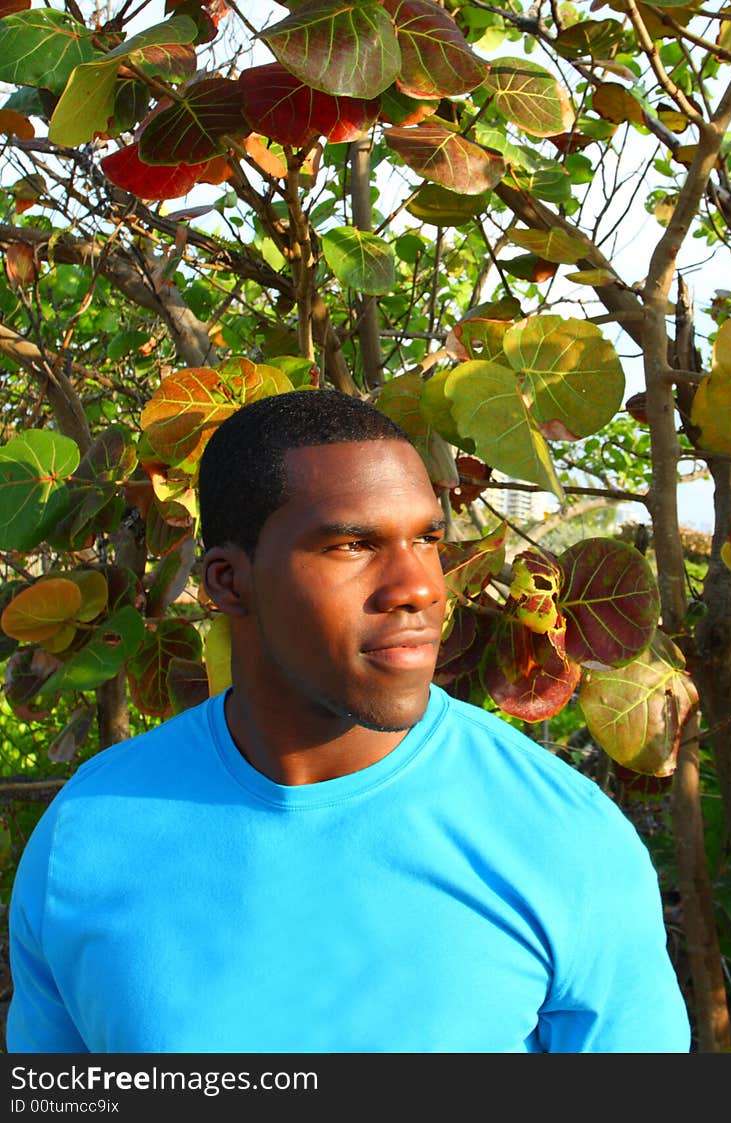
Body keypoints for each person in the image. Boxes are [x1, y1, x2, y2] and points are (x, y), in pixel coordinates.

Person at [6, 390, 691, 1053]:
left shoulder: (564, 839)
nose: (419, 586)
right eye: (352, 545)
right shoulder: (89, 832)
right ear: (226, 581)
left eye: (427, 538)